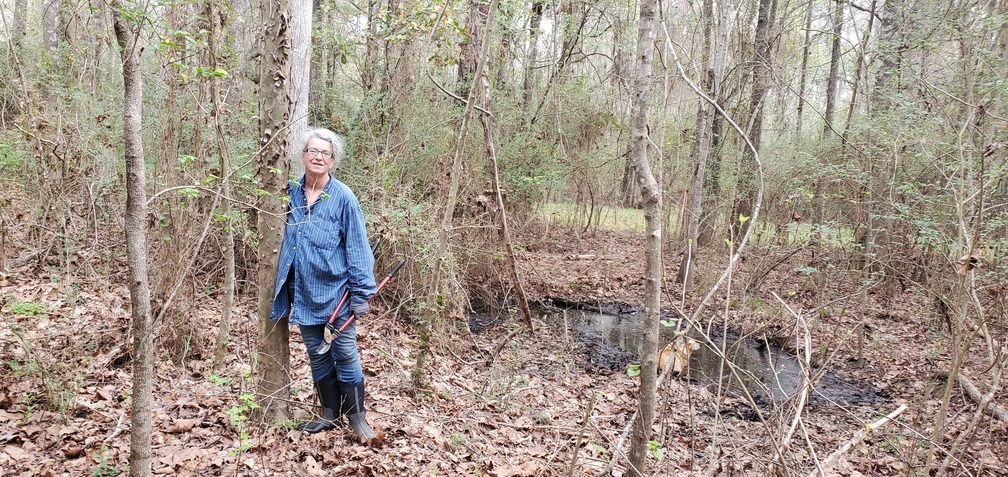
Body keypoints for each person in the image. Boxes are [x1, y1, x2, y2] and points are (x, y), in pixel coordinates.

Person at [269, 127, 378, 443]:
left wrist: (361, 293)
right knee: (316, 354)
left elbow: (358, 246)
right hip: (301, 292)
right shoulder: (287, 192)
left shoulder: (343, 198)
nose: (318, 157)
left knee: (344, 353)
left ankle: (358, 420)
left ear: (333, 160)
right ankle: (330, 414)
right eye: (312, 151)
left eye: (325, 153)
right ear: (302, 156)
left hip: (337, 295)